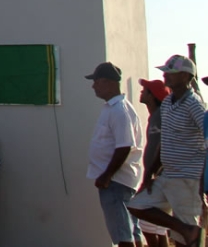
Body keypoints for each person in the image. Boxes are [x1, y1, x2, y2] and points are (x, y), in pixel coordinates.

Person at [129, 55, 205, 247]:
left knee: (185, 242)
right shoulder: (169, 102)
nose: (165, 76)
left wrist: (202, 181)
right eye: (165, 72)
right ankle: (185, 228)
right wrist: (149, 174)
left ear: (186, 77)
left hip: (187, 177)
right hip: (168, 174)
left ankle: (187, 230)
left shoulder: (194, 104)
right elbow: (165, 140)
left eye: (171, 73)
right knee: (137, 205)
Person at [85, 61, 144, 247]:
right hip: (119, 181)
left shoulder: (119, 110)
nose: (94, 86)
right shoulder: (114, 108)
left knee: (122, 234)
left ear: (109, 82)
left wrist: (106, 175)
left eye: (97, 81)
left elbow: (124, 147)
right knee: (130, 231)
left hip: (116, 182)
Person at [138, 78, 171, 247]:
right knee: (158, 229)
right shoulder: (155, 117)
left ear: (152, 96)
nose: (141, 92)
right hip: (157, 177)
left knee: (147, 225)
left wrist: (150, 176)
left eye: (145, 90)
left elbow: (162, 147)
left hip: (158, 177)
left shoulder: (160, 117)